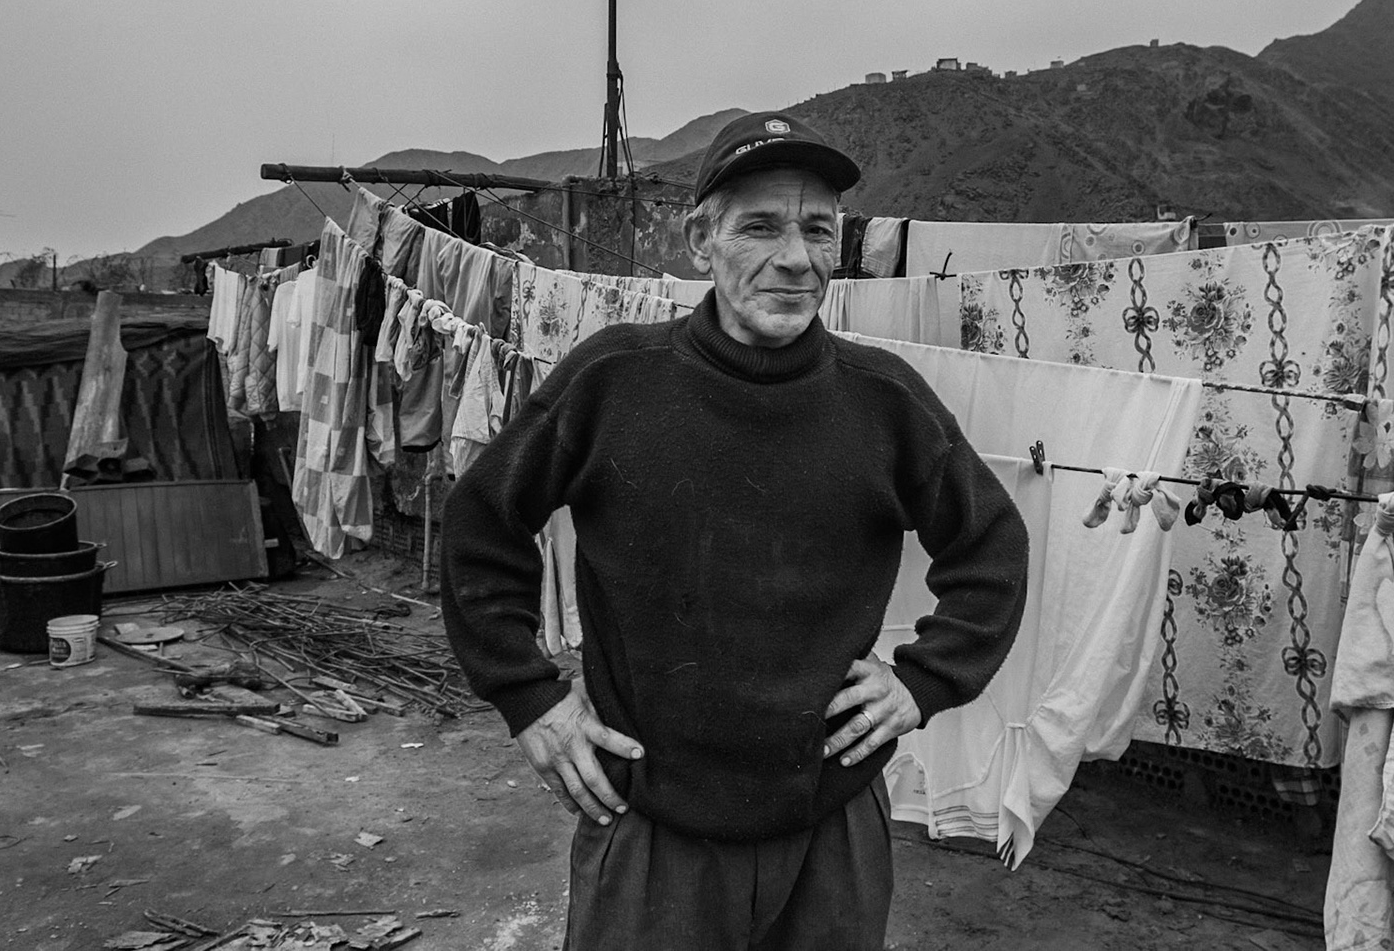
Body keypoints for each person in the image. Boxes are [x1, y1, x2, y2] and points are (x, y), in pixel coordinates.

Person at [441, 111, 1029, 950]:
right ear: (699, 240)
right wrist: (529, 698)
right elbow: (481, 520)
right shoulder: (614, 382)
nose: (794, 258)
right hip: (651, 827)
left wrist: (924, 682)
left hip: (831, 825)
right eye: (759, 227)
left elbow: (992, 545)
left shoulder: (884, 401)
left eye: (817, 230)